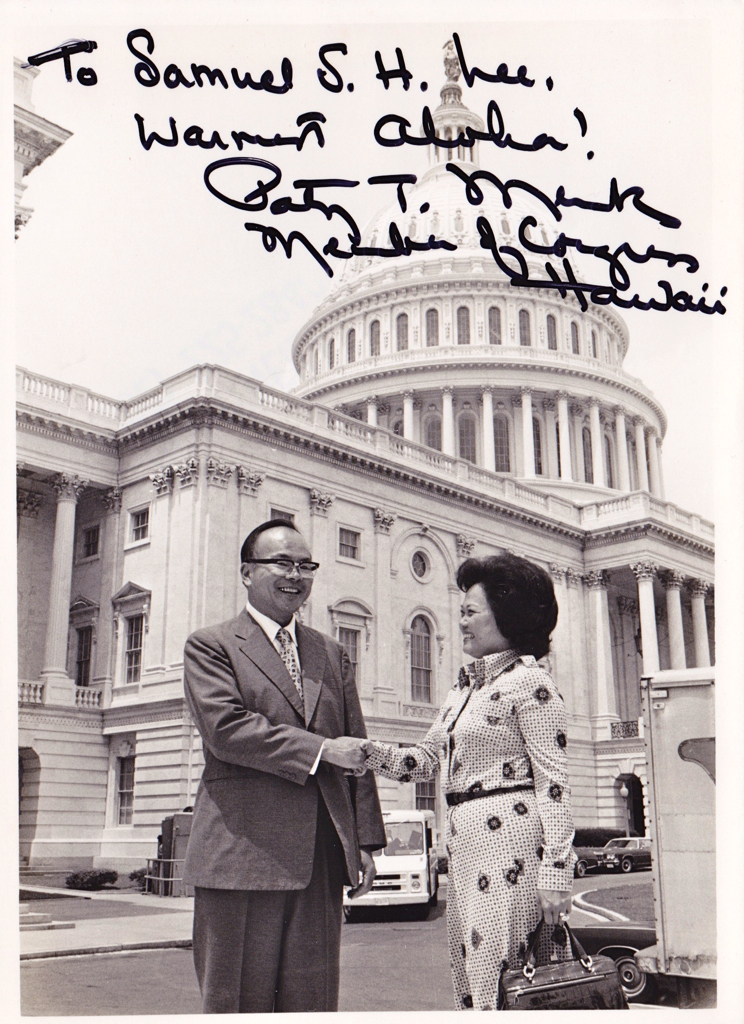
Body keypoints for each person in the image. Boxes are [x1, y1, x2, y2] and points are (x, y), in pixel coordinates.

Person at [182, 519, 386, 1013]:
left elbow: (354, 747)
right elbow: (226, 730)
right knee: (238, 1003)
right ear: (247, 573)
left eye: (304, 565)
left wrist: (363, 842)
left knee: (312, 1004)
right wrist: (319, 750)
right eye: (281, 563)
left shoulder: (331, 653)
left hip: (319, 857)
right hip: (240, 854)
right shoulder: (211, 645)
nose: (295, 575)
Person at [363, 553, 575, 1011]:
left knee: (506, 977)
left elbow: (554, 784)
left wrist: (557, 871)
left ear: (507, 615)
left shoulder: (532, 684)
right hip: (465, 848)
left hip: (512, 846)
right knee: (472, 978)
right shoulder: (464, 689)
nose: (460, 622)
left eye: (469, 612)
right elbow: (422, 762)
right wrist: (362, 752)